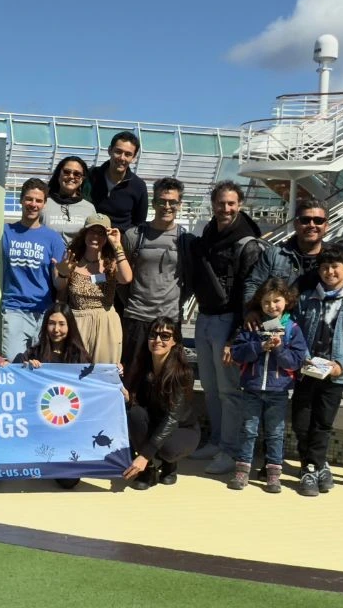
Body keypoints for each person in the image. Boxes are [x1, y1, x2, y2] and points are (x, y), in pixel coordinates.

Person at [188, 181, 267, 476]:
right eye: (221, 203)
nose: (226, 208)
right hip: (206, 317)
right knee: (210, 388)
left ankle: (231, 450)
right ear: (213, 204)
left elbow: (249, 294)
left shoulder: (247, 243)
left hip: (229, 321)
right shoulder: (209, 234)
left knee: (229, 391)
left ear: (240, 205)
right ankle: (217, 441)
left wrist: (235, 338)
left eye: (231, 203)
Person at [291, 244, 343, 497]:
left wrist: (342, 364)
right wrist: (300, 358)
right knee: (301, 422)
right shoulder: (307, 298)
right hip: (308, 370)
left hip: (335, 373)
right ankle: (318, 465)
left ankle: (311, 468)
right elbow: (294, 331)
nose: (330, 272)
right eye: (325, 267)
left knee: (322, 423)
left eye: (335, 267)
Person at [228, 278, 308, 493]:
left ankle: (273, 475)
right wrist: (260, 346)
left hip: (278, 390)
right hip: (252, 388)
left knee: (275, 433)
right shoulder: (253, 326)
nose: (272, 306)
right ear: (260, 303)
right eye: (266, 302)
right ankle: (242, 471)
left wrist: (280, 349)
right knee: (248, 430)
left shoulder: (292, 328)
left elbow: (296, 361)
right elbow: (237, 353)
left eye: (276, 301)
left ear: (286, 301)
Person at [121, 177, 193, 372]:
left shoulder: (186, 240)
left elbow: (191, 281)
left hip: (169, 319)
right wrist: (132, 302)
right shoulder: (134, 235)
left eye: (172, 202)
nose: (167, 207)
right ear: (153, 203)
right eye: (162, 201)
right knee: (131, 376)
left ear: (180, 204)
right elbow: (121, 277)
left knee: (166, 377)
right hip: (137, 317)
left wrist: (175, 302)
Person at [121, 317, 200, 490]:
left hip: (182, 428)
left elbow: (172, 418)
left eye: (165, 336)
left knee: (168, 450)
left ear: (174, 341)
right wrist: (129, 397)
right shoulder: (142, 366)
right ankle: (148, 470)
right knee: (134, 413)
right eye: (153, 335)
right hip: (154, 422)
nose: (157, 340)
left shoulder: (182, 373)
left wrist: (144, 455)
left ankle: (169, 465)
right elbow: (138, 405)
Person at [0, 178, 67, 360]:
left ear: (44, 204)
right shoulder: (5, 232)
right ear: (21, 200)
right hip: (14, 309)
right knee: (14, 363)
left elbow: (59, 284)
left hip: (44, 311)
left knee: (42, 364)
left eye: (38, 200)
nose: (33, 204)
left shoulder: (53, 238)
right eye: (29, 199)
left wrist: (64, 272)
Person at [54, 214, 132, 365]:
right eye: (92, 231)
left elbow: (126, 278)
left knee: (104, 371)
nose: (96, 237)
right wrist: (63, 273)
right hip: (77, 322)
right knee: (74, 369)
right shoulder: (71, 259)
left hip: (106, 323)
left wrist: (117, 245)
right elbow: (59, 287)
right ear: (84, 233)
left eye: (101, 233)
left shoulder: (112, 261)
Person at [243, 198, 330, 314]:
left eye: (318, 220)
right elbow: (253, 285)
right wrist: (252, 311)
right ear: (296, 224)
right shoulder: (274, 254)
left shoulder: (335, 258)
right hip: (279, 322)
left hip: (318, 322)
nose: (311, 225)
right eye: (305, 220)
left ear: (326, 226)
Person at [85, 131, 148, 232]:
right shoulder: (91, 176)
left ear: (133, 158)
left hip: (120, 239)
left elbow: (139, 223)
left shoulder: (139, 186)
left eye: (128, 154)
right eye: (118, 151)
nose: (122, 158)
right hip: (91, 237)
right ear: (110, 150)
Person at [13, 303, 90, 366]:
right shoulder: (33, 354)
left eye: (62, 324)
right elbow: (13, 372)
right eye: (51, 323)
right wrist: (26, 368)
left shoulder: (79, 356)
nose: (56, 329)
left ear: (70, 326)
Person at [44, 156, 96, 246]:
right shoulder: (44, 203)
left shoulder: (89, 208)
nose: (71, 176)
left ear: (82, 179)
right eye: (66, 172)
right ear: (58, 175)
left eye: (77, 174)